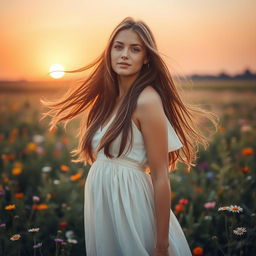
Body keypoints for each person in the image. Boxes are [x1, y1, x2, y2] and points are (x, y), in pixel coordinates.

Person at [41, 17, 218, 256]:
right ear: (109, 52)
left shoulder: (147, 101)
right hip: (106, 206)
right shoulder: (107, 100)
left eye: (135, 49)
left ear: (146, 58)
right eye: (119, 46)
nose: (125, 54)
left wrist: (161, 246)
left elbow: (160, 178)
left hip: (131, 206)